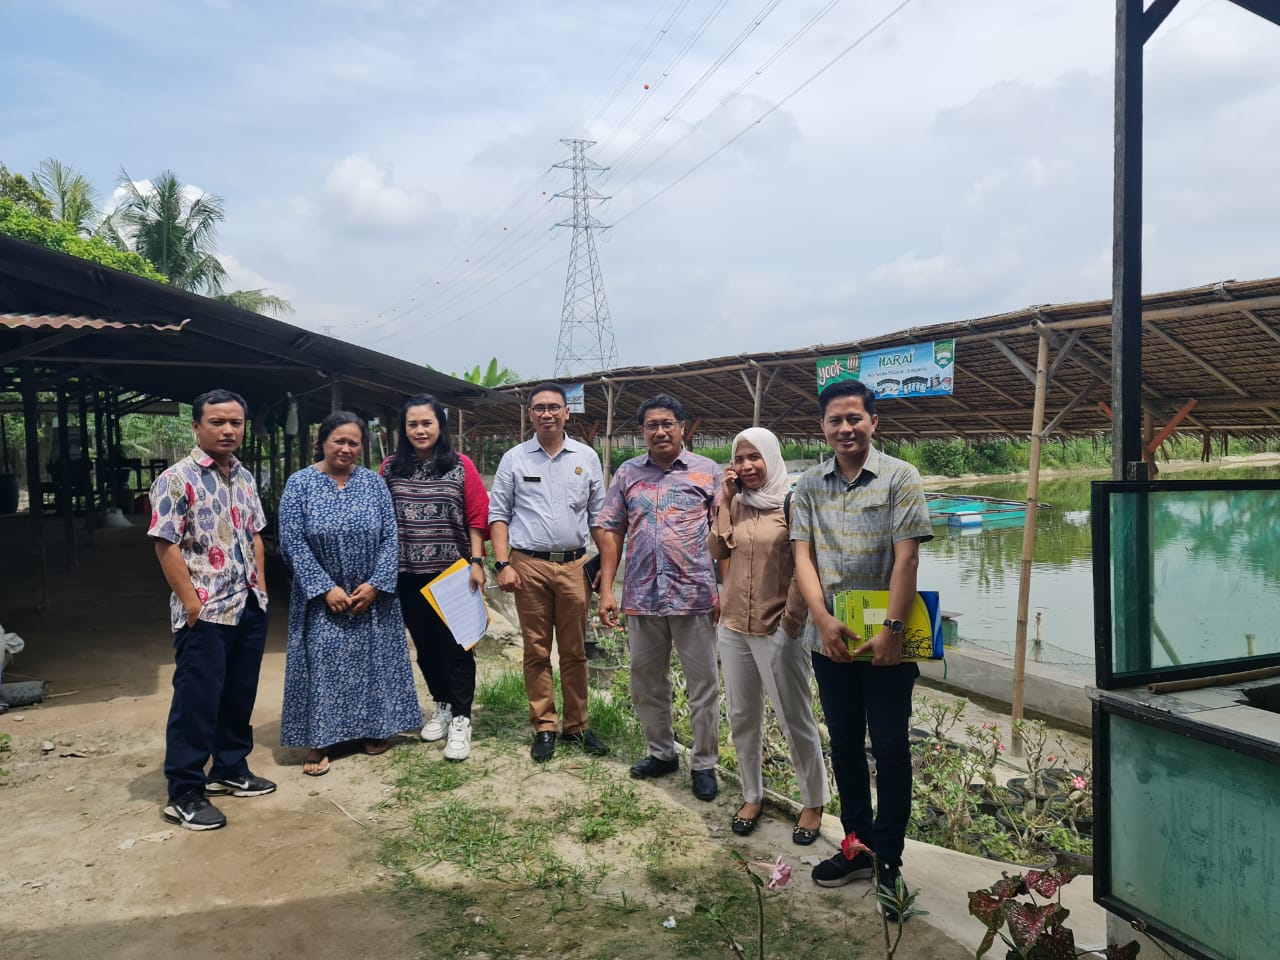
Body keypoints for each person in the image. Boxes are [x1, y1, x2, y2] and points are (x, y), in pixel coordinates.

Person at [789, 379, 932, 916]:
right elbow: (802, 557)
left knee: (892, 748)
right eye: (835, 420)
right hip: (831, 641)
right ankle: (857, 845)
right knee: (846, 744)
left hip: (886, 641)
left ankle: (889, 859)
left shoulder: (900, 478)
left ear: (874, 422)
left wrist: (894, 629)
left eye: (855, 418)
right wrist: (821, 620)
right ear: (822, 427)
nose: (845, 428)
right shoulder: (807, 485)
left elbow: (907, 559)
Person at [148, 388, 275, 831]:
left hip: (247, 603)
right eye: (218, 422)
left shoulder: (243, 476)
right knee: (197, 700)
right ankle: (184, 790)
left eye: (235, 423)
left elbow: (255, 533)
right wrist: (190, 602)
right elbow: (166, 543)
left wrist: (260, 587)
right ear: (197, 426)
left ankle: (230, 768)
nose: (227, 430)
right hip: (206, 610)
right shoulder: (175, 478)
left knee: (238, 693)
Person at [278, 411, 421, 775]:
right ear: (322, 442)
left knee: (373, 662)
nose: (345, 448)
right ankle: (320, 739)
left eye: (353, 443)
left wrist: (376, 584)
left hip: (370, 593)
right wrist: (325, 588)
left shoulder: (374, 484)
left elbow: (391, 536)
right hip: (321, 597)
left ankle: (374, 729)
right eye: (338, 441)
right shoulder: (300, 484)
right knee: (323, 662)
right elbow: (291, 540)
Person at [596, 394, 722, 801]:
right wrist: (606, 590)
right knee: (646, 683)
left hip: (696, 595)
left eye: (668, 423)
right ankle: (662, 753)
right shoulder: (627, 474)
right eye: (652, 425)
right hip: (642, 595)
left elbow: (727, 534)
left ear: (683, 427)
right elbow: (611, 530)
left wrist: (726, 590)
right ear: (642, 431)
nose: (660, 431)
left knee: (703, 686)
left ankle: (704, 764)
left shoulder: (707, 473)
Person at [709, 427, 829, 841]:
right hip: (733, 627)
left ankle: (812, 803)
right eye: (739, 458)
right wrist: (724, 501)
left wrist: (789, 626)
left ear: (771, 458)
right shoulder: (737, 503)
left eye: (754, 457)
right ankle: (752, 794)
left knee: (795, 718)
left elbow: (804, 567)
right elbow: (718, 551)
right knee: (742, 717)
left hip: (777, 629)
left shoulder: (792, 502)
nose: (746, 466)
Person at [489, 382, 610, 762]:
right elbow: (498, 515)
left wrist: (606, 574)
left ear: (566, 413)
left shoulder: (586, 457)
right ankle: (544, 725)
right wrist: (503, 563)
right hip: (529, 566)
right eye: (539, 407)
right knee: (536, 650)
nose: (547, 413)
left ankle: (577, 725)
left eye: (554, 407)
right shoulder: (515, 459)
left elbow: (598, 519)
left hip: (574, 565)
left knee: (574, 651)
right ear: (529, 415)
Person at [382, 394, 490, 762]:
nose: (419, 430)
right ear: (404, 429)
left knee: (457, 647)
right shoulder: (390, 468)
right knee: (425, 647)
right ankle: (441, 705)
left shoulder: (460, 466)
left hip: (452, 573)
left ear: (440, 426)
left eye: (426, 423)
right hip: (407, 572)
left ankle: (462, 717)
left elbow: (477, 515)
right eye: (412, 424)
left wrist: (477, 561)